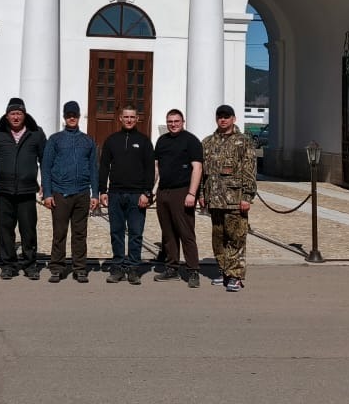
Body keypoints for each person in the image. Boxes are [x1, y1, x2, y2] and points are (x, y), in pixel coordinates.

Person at [0, 97, 46, 280]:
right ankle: (8, 265)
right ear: (7, 115)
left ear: (24, 115)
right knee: (5, 230)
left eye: (19, 113)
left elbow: (45, 160)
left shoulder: (36, 133)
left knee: (28, 230)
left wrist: (46, 183)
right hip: (4, 189)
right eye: (12, 113)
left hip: (27, 190)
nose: (16, 117)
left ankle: (29, 264)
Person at [40, 100, 98, 283]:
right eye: (68, 115)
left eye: (74, 115)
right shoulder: (55, 140)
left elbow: (94, 169)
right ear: (64, 117)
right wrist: (47, 193)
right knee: (59, 233)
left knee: (80, 233)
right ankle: (57, 268)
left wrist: (95, 194)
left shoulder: (88, 141)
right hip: (60, 192)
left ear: (79, 117)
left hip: (82, 193)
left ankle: (79, 268)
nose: (71, 118)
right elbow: (46, 167)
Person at [200, 104, 256, 293]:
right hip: (215, 200)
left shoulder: (243, 142)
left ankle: (235, 276)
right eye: (220, 117)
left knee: (236, 238)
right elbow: (203, 173)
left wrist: (247, 196)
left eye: (226, 116)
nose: (223, 120)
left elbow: (249, 170)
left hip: (235, 199)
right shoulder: (208, 142)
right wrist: (202, 194)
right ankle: (224, 270)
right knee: (218, 238)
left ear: (233, 119)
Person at [99, 106, 155, 285]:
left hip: (137, 194)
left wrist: (147, 193)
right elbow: (104, 166)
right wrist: (102, 191)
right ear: (120, 119)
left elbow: (150, 169)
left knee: (135, 233)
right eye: (126, 117)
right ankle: (117, 267)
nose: (129, 120)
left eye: (132, 117)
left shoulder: (144, 141)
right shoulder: (111, 140)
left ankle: (133, 268)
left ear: (137, 119)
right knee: (116, 232)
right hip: (115, 193)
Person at [152, 108, 203, 288]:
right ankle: (172, 267)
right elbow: (156, 167)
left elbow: (197, 168)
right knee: (168, 233)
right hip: (163, 191)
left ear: (183, 122)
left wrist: (192, 193)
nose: (173, 124)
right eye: (170, 121)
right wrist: (151, 190)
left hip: (182, 191)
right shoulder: (162, 141)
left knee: (186, 232)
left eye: (176, 121)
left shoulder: (191, 141)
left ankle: (193, 270)